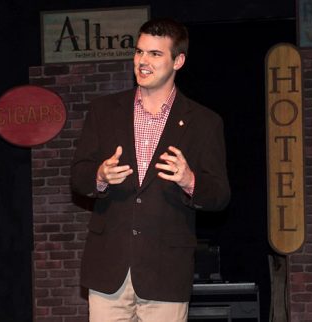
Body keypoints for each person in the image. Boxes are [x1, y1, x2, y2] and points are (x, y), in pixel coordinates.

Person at [71, 17, 230, 322]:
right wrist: (99, 176)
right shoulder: (104, 111)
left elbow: (220, 195)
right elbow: (78, 177)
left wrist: (190, 181)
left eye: (155, 54)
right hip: (109, 270)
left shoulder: (204, 122)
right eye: (139, 52)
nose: (143, 61)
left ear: (178, 61)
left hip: (165, 272)